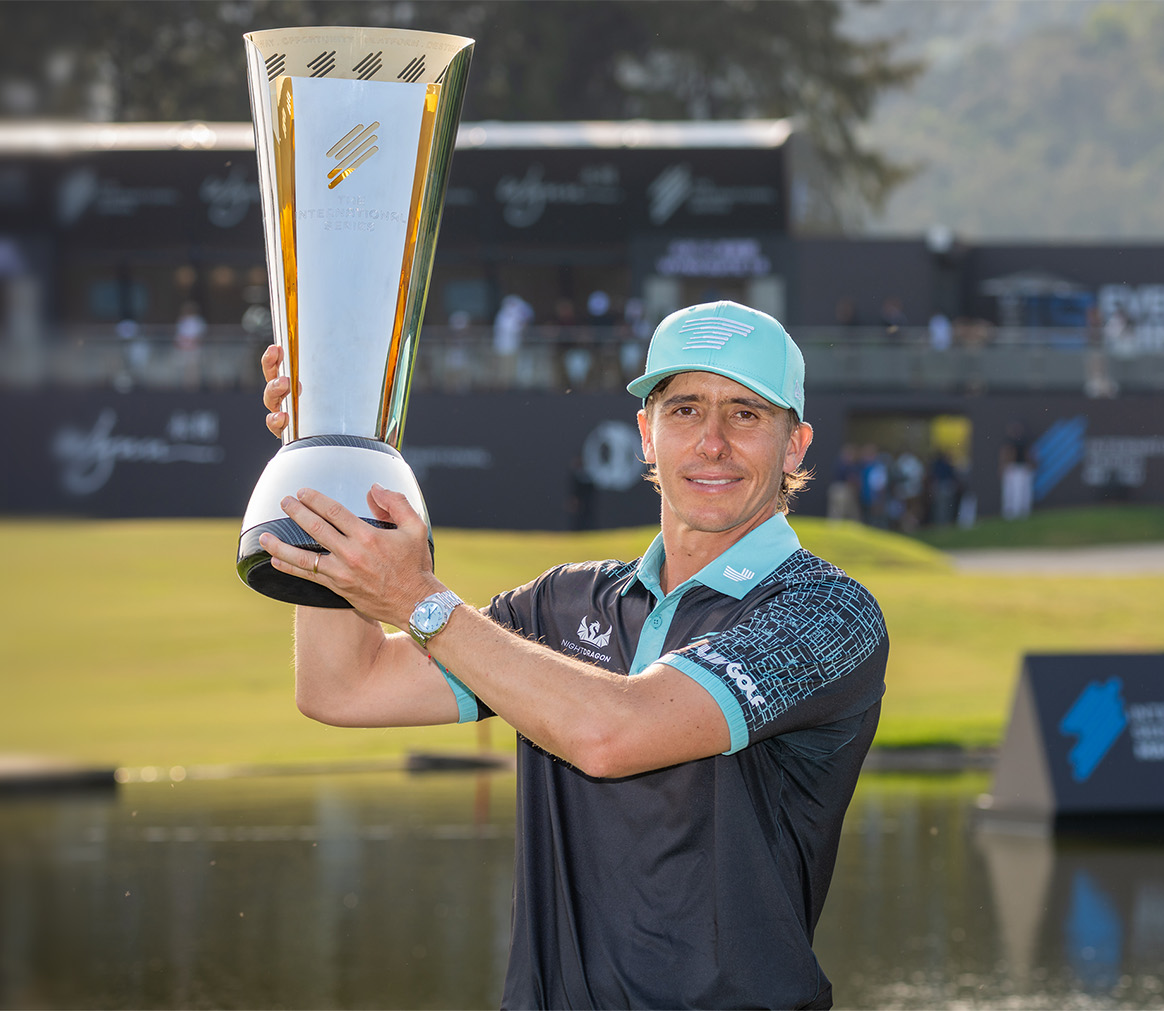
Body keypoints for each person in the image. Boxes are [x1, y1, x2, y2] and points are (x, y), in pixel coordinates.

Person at [255, 301, 888, 1010]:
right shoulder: (564, 603)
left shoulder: (828, 613)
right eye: (684, 410)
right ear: (647, 434)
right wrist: (324, 453)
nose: (711, 442)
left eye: (745, 414)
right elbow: (344, 686)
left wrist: (420, 600)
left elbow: (612, 732)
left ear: (795, 445)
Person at [1000, 422, 1035, 520]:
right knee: (1011, 492)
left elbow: (1028, 454)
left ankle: (1021, 513)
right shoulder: (1008, 441)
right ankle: (1010, 514)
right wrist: (1003, 466)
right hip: (1012, 468)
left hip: (1022, 468)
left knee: (1021, 492)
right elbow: (1006, 454)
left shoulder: (1024, 441)